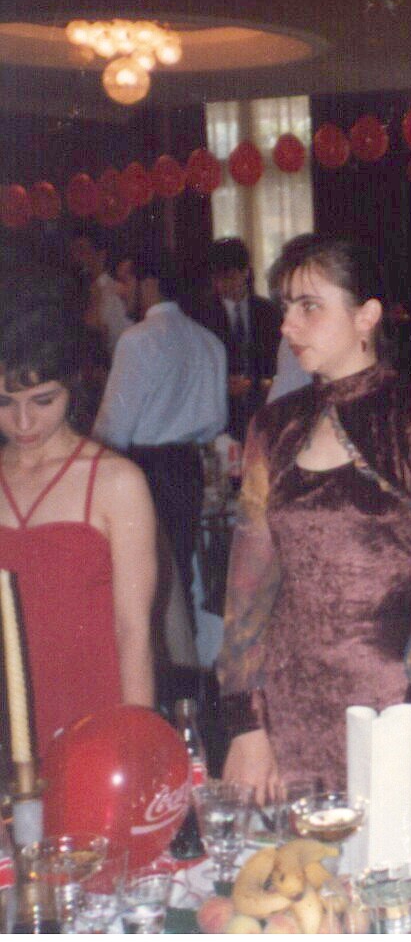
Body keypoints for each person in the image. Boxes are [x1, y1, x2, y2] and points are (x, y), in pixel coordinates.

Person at [217, 235, 411, 800]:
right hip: (283, 704)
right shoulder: (273, 425)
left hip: (389, 707)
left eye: (309, 307)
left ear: (366, 316)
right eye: (286, 307)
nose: (288, 326)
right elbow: (247, 589)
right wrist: (245, 721)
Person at [0, 296, 156, 752]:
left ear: (71, 388)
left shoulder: (115, 481)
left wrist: (137, 746)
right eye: (4, 403)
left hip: (92, 714)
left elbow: (133, 632)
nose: (23, 422)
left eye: (42, 400)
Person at [93, 252, 227, 606]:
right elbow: (216, 421)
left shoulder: (137, 340)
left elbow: (112, 429)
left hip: (145, 471)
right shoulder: (208, 340)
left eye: (125, 280)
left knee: (144, 584)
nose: (119, 290)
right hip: (188, 471)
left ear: (149, 283)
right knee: (179, 576)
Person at [194, 237, 284, 441]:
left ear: (246, 272)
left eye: (231, 276)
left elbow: (276, 362)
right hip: (221, 415)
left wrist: (256, 384)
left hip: (264, 408)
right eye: (218, 278)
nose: (224, 284)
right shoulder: (202, 315)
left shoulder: (269, 312)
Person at [67, 224, 134, 353]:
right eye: (73, 252)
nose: (76, 258)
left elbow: (122, 342)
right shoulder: (73, 293)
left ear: (101, 255)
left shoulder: (116, 293)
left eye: (81, 250)